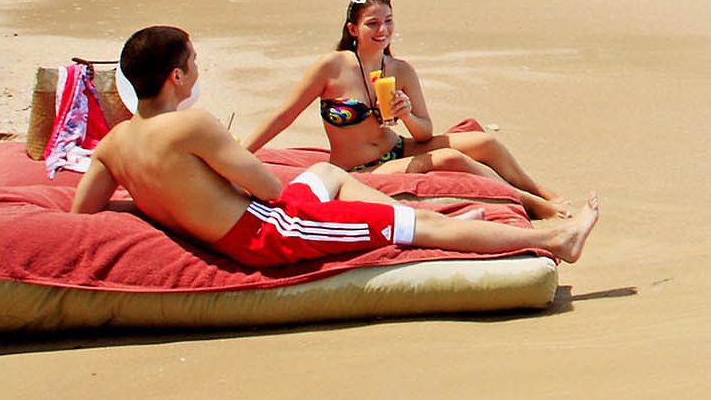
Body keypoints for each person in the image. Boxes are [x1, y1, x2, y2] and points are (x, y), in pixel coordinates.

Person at [71, 24, 597, 268]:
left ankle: (430, 214)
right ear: (178, 76)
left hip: (242, 223)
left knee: (329, 176)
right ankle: (555, 243)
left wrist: (166, 197)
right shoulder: (192, 126)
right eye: (196, 63)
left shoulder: (115, 143)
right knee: (417, 229)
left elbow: (84, 209)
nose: (199, 71)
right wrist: (221, 173)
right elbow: (268, 187)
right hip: (266, 235)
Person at [240, 0, 568, 219]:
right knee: (451, 158)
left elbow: (424, 133)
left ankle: (541, 191)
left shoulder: (400, 70)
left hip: (399, 149)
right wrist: (242, 155)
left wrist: (406, 114)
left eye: (388, 21)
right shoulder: (332, 67)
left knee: (485, 142)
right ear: (353, 29)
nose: (382, 30)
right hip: (361, 168)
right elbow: (284, 116)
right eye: (372, 23)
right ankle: (526, 203)